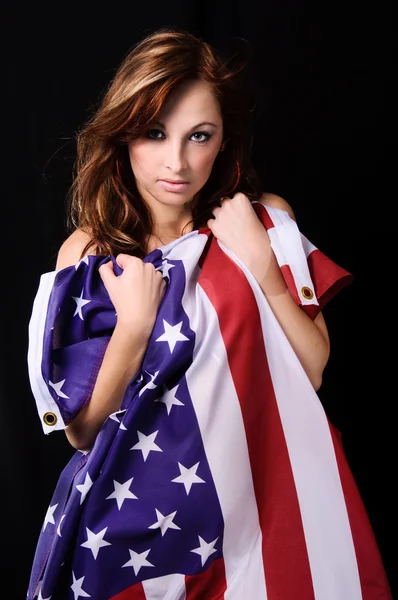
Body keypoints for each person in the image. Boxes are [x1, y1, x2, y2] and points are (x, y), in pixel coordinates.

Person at [26, 26, 392, 600]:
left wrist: (263, 270)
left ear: (224, 141)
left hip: (261, 506)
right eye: (153, 133)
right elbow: (78, 431)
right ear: (124, 136)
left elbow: (314, 368)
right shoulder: (92, 255)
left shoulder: (264, 221)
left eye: (199, 136)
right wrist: (134, 326)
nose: (177, 162)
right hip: (140, 529)